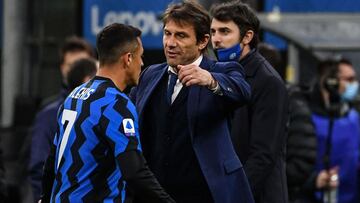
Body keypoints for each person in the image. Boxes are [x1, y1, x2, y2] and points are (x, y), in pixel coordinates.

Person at [129, 1, 253, 203]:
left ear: (203, 42)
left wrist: (211, 80)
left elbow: (242, 91)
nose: (170, 42)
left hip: (205, 194)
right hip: (154, 194)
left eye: (180, 35)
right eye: (167, 33)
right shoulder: (150, 75)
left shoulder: (222, 71)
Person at [40, 23, 174, 203]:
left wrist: (45, 197)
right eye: (140, 57)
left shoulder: (74, 96)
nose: (142, 63)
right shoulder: (116, 104)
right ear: (128, 59)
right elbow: (134, 172)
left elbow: (51, 162)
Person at [210, 1, 288, 202]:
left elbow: (263, 155)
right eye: (213, 32)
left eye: (225, 31)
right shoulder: (215, 74)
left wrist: (235, 196)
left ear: (247, 36)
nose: (216, 40)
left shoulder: (268, 81)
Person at [28, 36, 95, 202]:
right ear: (62, 68)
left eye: (84, 64)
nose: (79, 70)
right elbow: (39, 169)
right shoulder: (50, 114)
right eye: (72, 66)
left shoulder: (103, 110)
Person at [307, 59, 360, 203]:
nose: (354, 84)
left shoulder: (354, 117)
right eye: (349, 79)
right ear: (330, 82)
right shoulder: (307, 118)